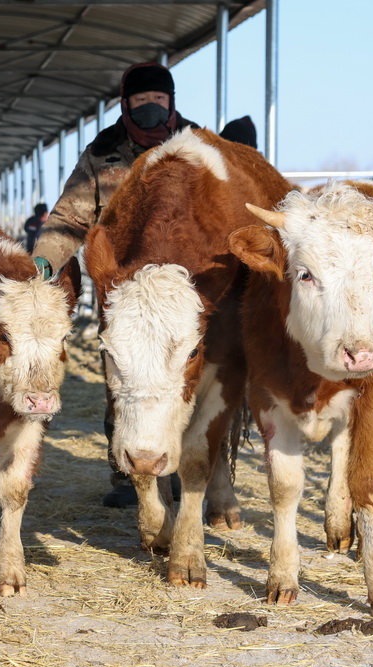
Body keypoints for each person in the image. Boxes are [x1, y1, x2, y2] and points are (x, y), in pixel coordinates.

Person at [31, 61, 256, 508]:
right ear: (125, 105)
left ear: (171, 102)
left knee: (191, 376)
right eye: (141, 102)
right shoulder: (104, 152)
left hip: (192, 289)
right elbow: (70, 217)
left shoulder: (197, 146)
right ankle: (127, 471)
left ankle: (193, 469)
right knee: (126, 378)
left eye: (158, 100)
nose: (151, 108)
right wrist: (40, 264)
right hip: (125, 287)